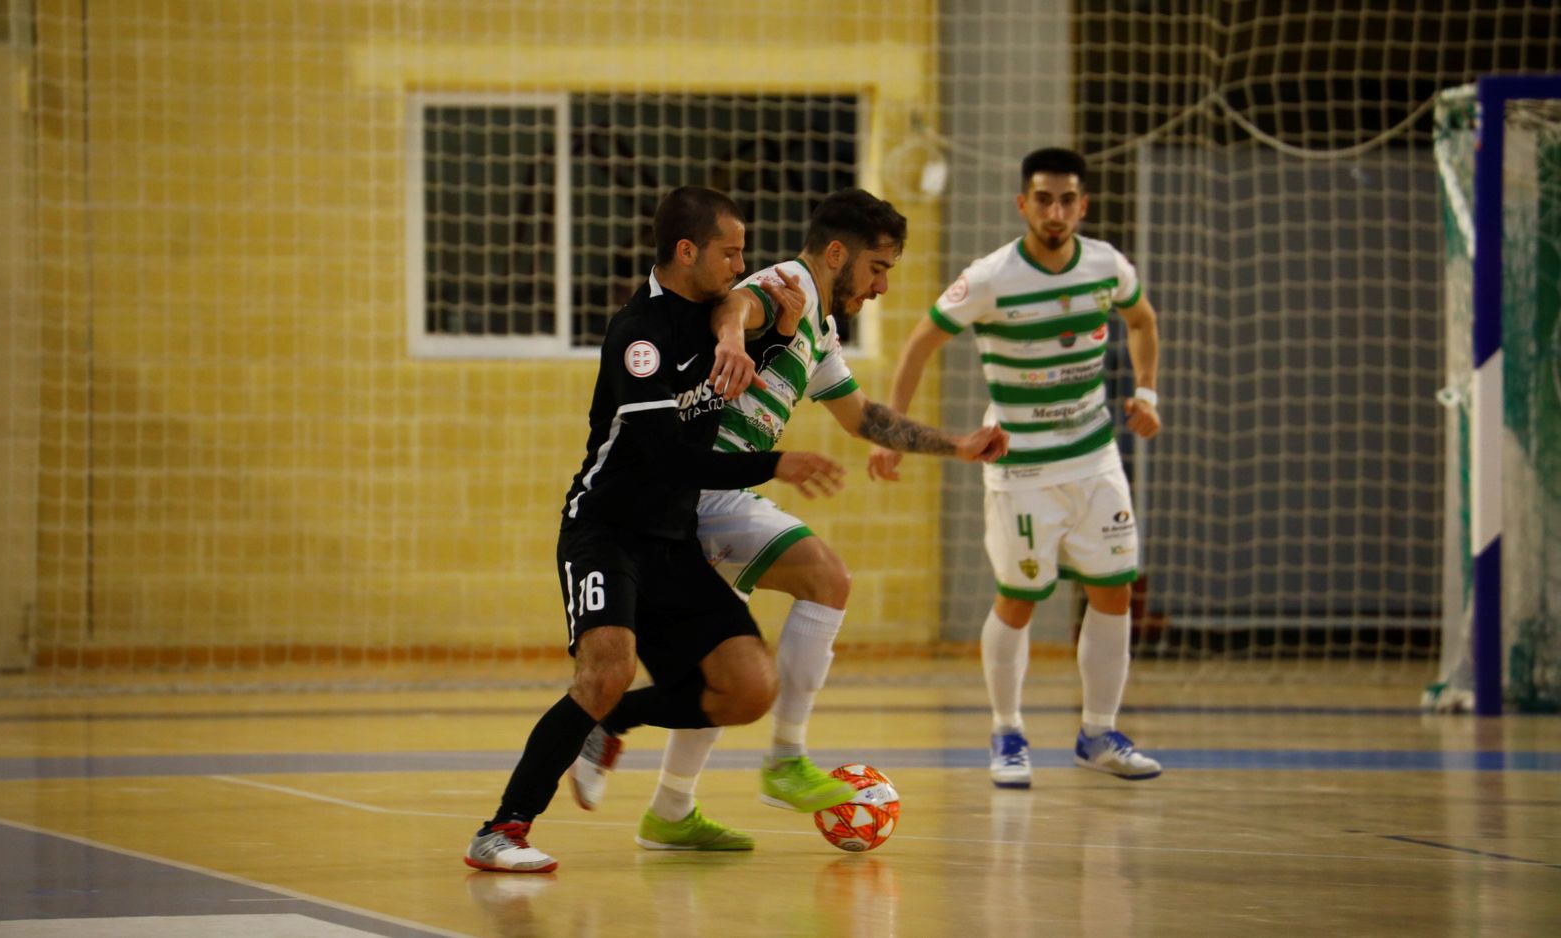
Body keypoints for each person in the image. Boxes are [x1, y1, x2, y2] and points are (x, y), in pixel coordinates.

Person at [566, 188, 1008, 846]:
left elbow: (864, 418)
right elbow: (737, 300)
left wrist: (957, 445)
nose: (882, 286)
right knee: (827, 579)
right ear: (838, 253)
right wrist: (733, 339)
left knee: (721, 671)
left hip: (711, 499)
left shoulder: (818, 330)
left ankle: (669, 809)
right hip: (708, 488)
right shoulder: (789, 282)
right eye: (879, 267)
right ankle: (785, 760)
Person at [464, 186, 846, 873]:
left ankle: (615, 723)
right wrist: (778, 462)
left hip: (671, 539)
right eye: (730, 252)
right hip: (606, 528)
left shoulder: (717, 312)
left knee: (748, 689)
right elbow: (664, 456)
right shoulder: (639, 336)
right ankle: (502, 830)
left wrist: (780, 332)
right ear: (686, 251)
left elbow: (745, 316)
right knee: (605, 669)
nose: (741, 266)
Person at [868, 147, 1164, 787]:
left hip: (1095, 460)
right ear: (1023, 204)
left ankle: (1097, 733)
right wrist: (891, 431)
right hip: (1021, 467)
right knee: (1020, 598)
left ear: (1082, 206)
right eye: (1043, 198)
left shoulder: (1107, 265)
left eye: (1067, 200)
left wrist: (1147, 392)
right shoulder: (991, 277)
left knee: (1113, 590)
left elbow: (1141, 320)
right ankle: (1007, 733)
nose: (1055, 211)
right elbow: (920, 343)